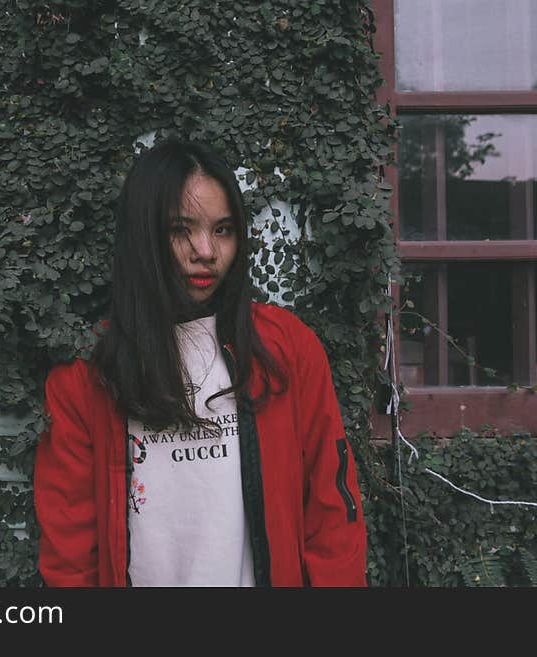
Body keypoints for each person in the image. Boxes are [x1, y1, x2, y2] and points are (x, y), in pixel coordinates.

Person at [33, 138, 367, 586]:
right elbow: (71, 554)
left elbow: (332, 515)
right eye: (181, 229)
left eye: (223, 229)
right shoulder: (85, 376)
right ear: (144, 235)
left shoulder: (286, 349)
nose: (206, 250)